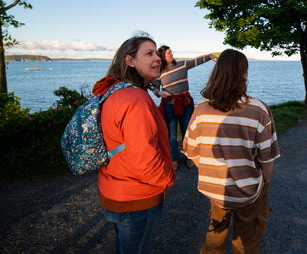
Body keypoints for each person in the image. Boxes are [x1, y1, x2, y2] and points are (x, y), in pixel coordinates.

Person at [182, 49, 280, 254]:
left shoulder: (201, 109)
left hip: (215, 188)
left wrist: (212, 170)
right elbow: (267, 158)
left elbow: (192, 151)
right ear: (244, 73)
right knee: (247, 239)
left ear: (217, 72)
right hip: (249, 190)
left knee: (215, 232)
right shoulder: (258, 109)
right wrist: (265, 182)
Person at [91, 35, 176, 254]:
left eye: (157, 53)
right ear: (130, 60)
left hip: (115, 188)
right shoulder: (136, 99)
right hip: (137, 197)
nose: (157, 59)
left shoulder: (115, 91)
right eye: (149, 54)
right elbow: (145, 161)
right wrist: (167, 179)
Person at [152, 45, 217, 171]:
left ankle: (188, 158)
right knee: (171, 135)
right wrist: (160, 93)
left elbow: (196, 61)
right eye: (169, 53)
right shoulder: (159, 72)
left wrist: (209, 56)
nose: (172, 54)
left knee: (187, 132)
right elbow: (154, 88)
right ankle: (174, 159)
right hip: (169, 105)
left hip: (185, 103)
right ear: (163, 56)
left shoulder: (182, 65)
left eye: (171, 52)